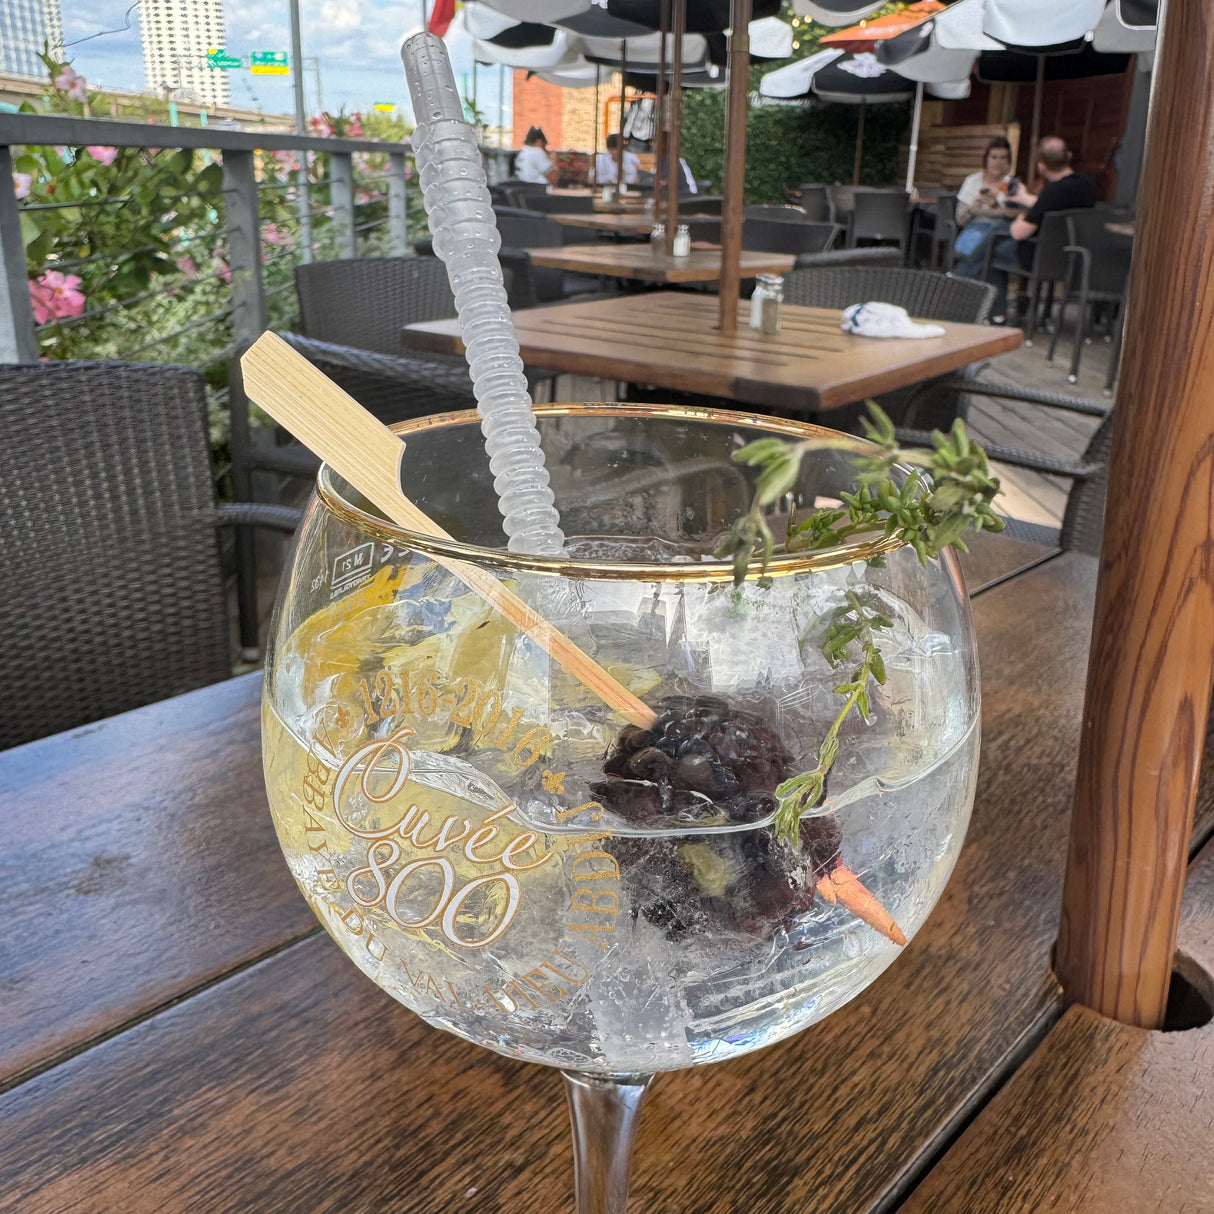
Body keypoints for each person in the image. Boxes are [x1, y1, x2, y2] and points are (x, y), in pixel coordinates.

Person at [984, 135, 1097, 322]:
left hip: (1040, 255)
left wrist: (1021, 216)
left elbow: (1019, 232)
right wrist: (1025, 199)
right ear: (1068, 157)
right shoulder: (1087, 186)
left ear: (1041, 166)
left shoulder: (1052, 191)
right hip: (1073, 255)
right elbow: (1051, 206)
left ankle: (998, 313)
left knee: (994, 248)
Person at [950, 136, 1023, 279]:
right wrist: (973, 206)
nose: (998, 162)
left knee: (997, 247)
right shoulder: (973, 182)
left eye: (1003, 158)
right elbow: (960, 220)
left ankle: (959, 279)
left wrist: (997, 207)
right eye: (993, 157)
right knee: (988, 250)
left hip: (1002, 232)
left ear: (1008, 161)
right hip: (976, 228)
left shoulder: (1011, 184)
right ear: (986, 159)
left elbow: (1019, 213)